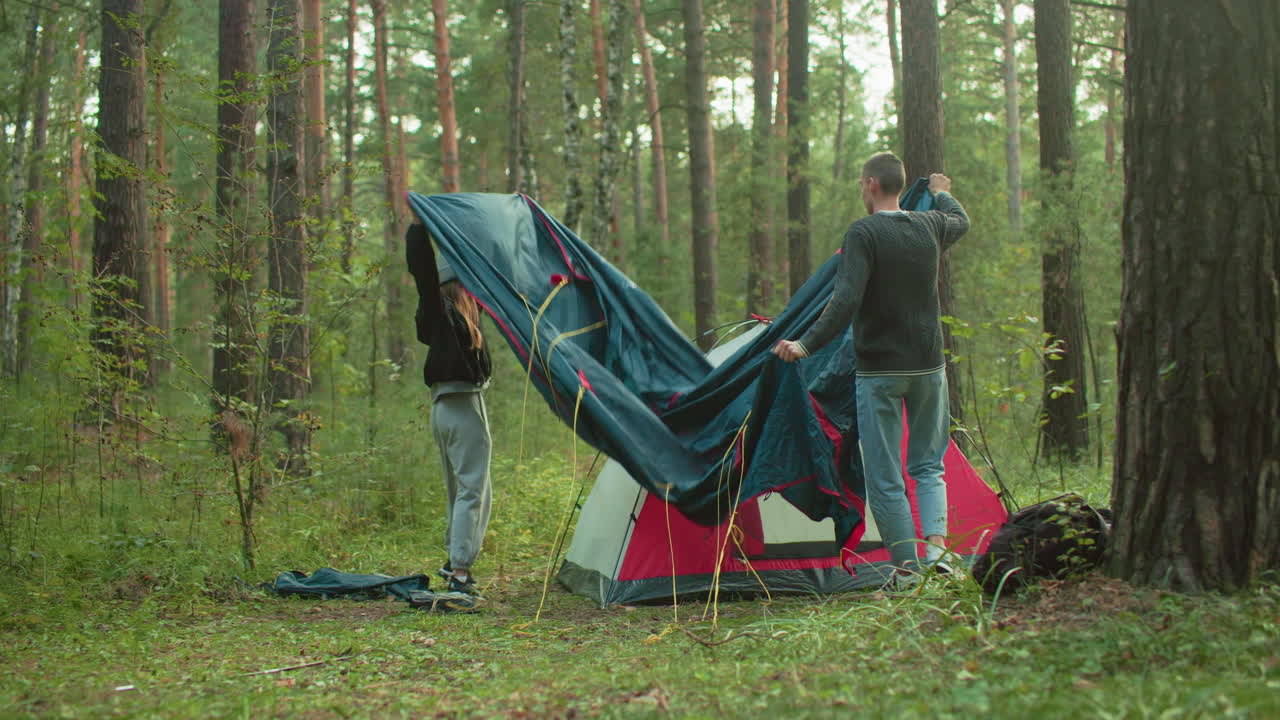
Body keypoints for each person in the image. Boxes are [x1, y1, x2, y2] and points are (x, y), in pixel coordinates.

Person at [772, 152, 969, 587]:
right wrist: (941, 193)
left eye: (863, 184)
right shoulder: (932, 225)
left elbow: (845, 301)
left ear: (870, 185)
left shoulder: (864, 232)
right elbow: (961, 221)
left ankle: (906, 572)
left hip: (880, 372)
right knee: (928, 465)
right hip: (927, 368)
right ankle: (938, 553)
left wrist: (804, 344)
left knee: (885, 478)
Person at [405, 222, 494, 598]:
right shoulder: (441, 312)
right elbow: (423, 271)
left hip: (448, 406)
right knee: (473, 490)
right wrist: (419, 226)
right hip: (460, 406)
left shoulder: (461, 320)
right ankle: (459, 572)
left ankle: (454, 562)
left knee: (464, 490)